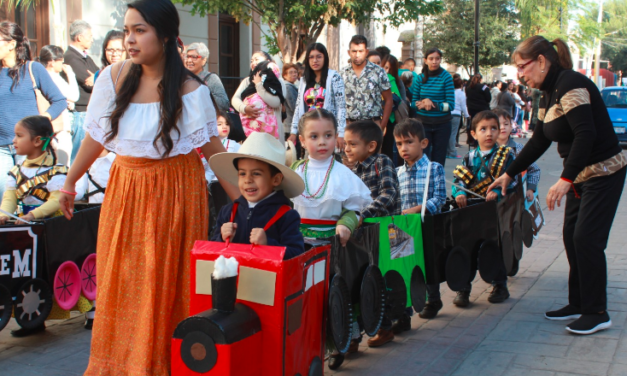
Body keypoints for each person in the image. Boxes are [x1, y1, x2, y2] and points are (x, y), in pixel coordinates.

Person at [57, 0, 234, 373]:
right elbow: (95, 137)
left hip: (175, 195)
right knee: (122, 285)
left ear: (166, 36)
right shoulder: (113, 76)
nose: (130, 40)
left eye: (140, 30)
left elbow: (214, 152)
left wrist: (252, 202)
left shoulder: (191, 89)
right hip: (125, 193)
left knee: (164, 288)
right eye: (127, 30)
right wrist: (70, 181)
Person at [489, 36, 626, 335]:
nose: (520, 74)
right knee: (570, 235)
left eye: (522, 67)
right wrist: (509, 174)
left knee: (587, 239)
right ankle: (578, 302)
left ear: (541, 60)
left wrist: (564, 180)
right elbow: (539, 139)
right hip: (581, 175)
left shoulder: (571, 84)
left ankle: (597, 311)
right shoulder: (548, 92)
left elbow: (585, 134)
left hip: (605, 172)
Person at [290, 109, 372, 370]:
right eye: (314, 136)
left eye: (328, 135)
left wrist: (346, 223)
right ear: (302, 141)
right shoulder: (294, 172)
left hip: (332, 249)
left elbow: (356, 209)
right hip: (299, 248)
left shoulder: (342, 174)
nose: (322, 142)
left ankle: (337, 341)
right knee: (304, 297)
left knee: (330, 296)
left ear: (336, 137)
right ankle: (306, 342)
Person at [452, 111, 516, 306]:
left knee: (494, 246)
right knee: (467, 247)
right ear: (473, 133)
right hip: (472, 210)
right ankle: (464, 289)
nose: (489, 133)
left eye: (493, 128)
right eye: (483, 129)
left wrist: (498, 192)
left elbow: (513, 181)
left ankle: (500, 285)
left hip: (495, 211)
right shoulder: (469, 158)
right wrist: (459, 194)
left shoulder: (506, 156)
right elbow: (458, 180)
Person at [210, 132, 305, 260]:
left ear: (276, 180)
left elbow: (297, 254)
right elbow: (211, 252)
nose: (247, 180)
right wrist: (221, 238)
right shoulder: (227, 212)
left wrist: (268, 245)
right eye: (242, 173)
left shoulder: (287, 216)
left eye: (256, 173)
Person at [0, 22, 66, 199]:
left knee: (31, 196)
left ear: (11, 44)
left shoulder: (32, 68)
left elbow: (59, 100)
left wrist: (42, 119)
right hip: (1, 147)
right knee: (4, 201)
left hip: (31, 145)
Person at [393, 119, 447, 320]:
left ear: (423, 143)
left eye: (408, 142)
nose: (403, 148)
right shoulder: (397, 173)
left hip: (425, 226)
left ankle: (433, 299)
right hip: (403, 227)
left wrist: (414, 211)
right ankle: (405, 309)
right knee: (405, 264)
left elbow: (439, 199)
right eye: (399, 144)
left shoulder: (434, 168)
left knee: (427, 262)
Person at [0, 116, 68, 225]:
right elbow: (10, 199)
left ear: (37, 141)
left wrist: (33, 215)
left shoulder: (56, 171)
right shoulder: (16, 171)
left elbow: (57, 200)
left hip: (54, 225)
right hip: (26, 222)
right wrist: (4, 215)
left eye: (19, 136)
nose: (14, 140)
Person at [288, 43, 347, 149]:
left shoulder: (334, 77)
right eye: (311, 57)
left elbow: (341, 107)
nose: (315, 60)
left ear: (325, 58)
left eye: (319, 57)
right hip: (309, 129)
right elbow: (298, 106)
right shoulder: (304, 80)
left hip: (327, 128)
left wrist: (341, 133)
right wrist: (293, 131)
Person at [344, 120, 400, 219]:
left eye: (352, 144)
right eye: (345, 144)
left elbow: (389, 194)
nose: (347, 149)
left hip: (386, 227)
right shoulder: (354, 171)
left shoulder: (382, 161)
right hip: (365, 227)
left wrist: (363, 214)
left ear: (371, 146)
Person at [342, 35, 393, 144]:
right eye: (354, 51)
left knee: (372, 160)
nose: (357, 55)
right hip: (350, 126)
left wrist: (382, 126)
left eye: (360, 51)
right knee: (349, 160)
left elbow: (389, 99)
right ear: (348, 52)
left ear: (366, 52)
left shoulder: (378, 72)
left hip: (372, 124)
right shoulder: (342, 74)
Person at [410, 48, 455, 167]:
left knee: (438, 160)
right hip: (423, 124)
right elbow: (413, 104)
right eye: (431, 59)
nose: (434, 61)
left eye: (437, 59)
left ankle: (437, 184)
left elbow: (450, 105)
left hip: (442, 124)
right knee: (422, 157)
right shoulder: (420, 78)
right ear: (426, 61)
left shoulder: (446, 77)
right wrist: (422, 103)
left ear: (440, 60)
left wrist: (430, 103)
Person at [64, 20, 99, 163]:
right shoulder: (71, 57)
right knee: (78, 155)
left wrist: (96, 78)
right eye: (90, 36)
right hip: (79, 112)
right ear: (79, 37)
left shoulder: (85, 56)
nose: (92, 39)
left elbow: (99, 75)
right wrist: (97, 79)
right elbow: (88, 82)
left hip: (88, 111)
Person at [232, 51, 287, 141]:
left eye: (257, 59)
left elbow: (276, 102)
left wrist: (258, 85)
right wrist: (244, 108)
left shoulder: (278, 81)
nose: (253, 63)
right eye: (251, 61)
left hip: (272, 136)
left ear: (268, 61)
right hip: (250, 135)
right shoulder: (247, 81)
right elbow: (235, 99)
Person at [39, 45, 79, 165]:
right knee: (62, 165)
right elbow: (74, 95)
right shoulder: (52, 77)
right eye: (60, 60)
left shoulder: (42, 76)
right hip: (59, 127)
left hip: (49, 126)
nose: (63, 63)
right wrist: (71, 75)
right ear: (51, 62)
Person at [494, 108, 540, 202]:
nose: (502, 127)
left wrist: (530, 188)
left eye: (506, 124)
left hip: (516, 199)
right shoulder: (487, 150)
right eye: (498, 125)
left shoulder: (519, 149)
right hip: (493, 199)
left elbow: (534, 169)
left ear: (511, 126)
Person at [184, 42, 230, 113]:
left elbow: (224, 103)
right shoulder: (181, 78)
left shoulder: (211, 78)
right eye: (187, 56)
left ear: (204, 60)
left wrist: (203, 94)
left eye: (194, 57)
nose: (189, 60)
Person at [201, 113, 241, 183]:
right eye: (219, 124)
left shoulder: (234, 145)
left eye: (227, 124)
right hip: (208, 181)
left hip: (228, 182)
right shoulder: (204, 145)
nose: (224, 127)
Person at [382, 54, 407, 163]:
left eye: (388, 68)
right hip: (380, 119)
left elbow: (398, 100)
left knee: (389, 151)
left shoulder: (393, 80)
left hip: (391, 119)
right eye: (384, 67)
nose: (385, 71)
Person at [465, 74, 491, 146]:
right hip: (482, 109)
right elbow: (488, 98)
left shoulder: (468, 88)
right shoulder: (484, 87)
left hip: (471, 109)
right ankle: (480, 140)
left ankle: (472, 140)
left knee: (473, 124)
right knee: (482, 125)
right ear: (481, 80)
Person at [448, 74, 469, 159]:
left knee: (448, 134)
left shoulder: (450, 92)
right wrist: (467, 115)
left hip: (449, 113)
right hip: (456, 114)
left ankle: (448, 150)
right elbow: (463, 106)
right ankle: (452, 152)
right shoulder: (461, 94)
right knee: (453, 134)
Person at [282, 63, 299, 140]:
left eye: (295, 72)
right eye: (291, 72)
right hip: (290, 125)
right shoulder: (288, 87)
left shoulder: (292, 86)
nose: (294, 74)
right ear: (284, 75)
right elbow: (294, 107)